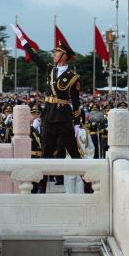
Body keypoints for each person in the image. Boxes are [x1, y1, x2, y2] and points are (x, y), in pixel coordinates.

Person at [29, 42, 85, 193]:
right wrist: (24, 43)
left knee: (74, 152)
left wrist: (77, 124)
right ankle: (42, 186)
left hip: (64, 116)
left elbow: (75, 101)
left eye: (56, 53)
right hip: (49, 114)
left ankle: (87, 184)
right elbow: (35, 58)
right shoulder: (50, 70)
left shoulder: (72, 78)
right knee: (45, 152)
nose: (54, 55)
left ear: (64, 56)